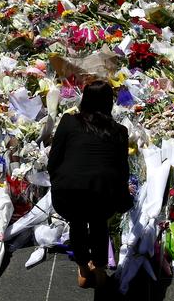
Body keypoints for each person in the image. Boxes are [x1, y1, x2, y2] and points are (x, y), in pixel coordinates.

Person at [47, 80, 131, 290]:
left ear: (84, 100)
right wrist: (123, 198)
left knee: (76, 222)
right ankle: (100, 270)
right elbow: (122, 170)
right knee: (99, 224)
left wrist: (60, 181)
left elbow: (54, 160)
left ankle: (84, 269)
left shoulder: (68, 122)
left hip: (68, 192)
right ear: (108, 103)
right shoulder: (118, 131)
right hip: (102, 194)